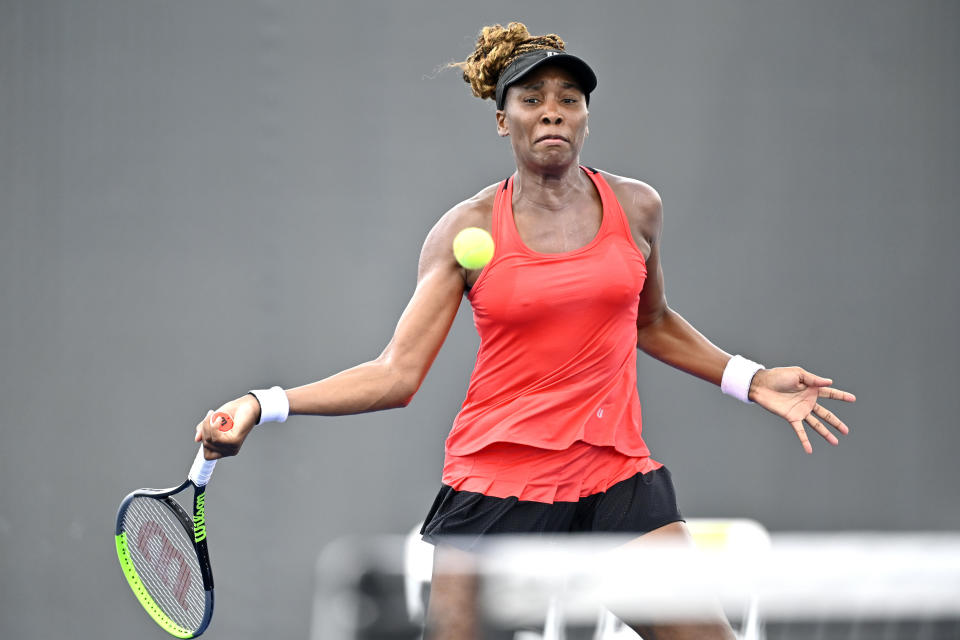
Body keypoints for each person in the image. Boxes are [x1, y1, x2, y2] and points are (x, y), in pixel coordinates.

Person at [195, 22, 855, 640]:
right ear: (502, 119)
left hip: (615, 482)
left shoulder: (637, 208)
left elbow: (649, 321)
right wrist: (265, 403)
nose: (553, 111)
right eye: (533, 97)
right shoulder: (466, 230)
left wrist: (749, 377)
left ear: (586, 118)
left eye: (570, 99)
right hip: (493, 492)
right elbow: (396, 374)